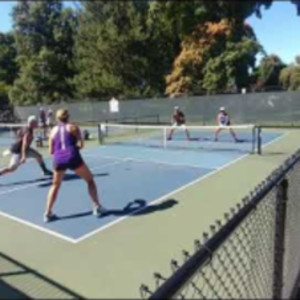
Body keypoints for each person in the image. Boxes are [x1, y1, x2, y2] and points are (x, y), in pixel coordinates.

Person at [44, 109, 107, 223]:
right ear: (68, 117)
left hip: (58, 160)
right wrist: (73, 149)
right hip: (73, 157)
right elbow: (81, 145)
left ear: (57, 118)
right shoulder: (73, 127)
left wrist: (60, 153)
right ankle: (97, 207)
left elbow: (51, 151)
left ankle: (48, 213)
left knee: (55, 185)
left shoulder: (53, 130)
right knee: (90, 180)